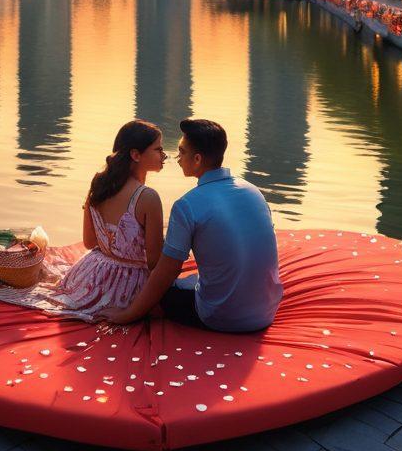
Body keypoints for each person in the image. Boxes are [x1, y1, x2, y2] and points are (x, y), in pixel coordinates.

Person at [98, 118, 283, 332]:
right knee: (192, 279)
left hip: (221, 317)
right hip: (266, 311)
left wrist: (128, 315)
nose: (177, 159)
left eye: (182, 152)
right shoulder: (253, 191)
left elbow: (165, 272)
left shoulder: (187, 205)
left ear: (197, 159)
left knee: (158, 288)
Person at [50, 118, 166, 316]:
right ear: (136, 155)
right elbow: (155, 262)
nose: (165, 155)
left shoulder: (99, 183)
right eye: (158, 149)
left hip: (91, 277)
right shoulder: (148, 197)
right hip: (129, 288)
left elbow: (89, 242)